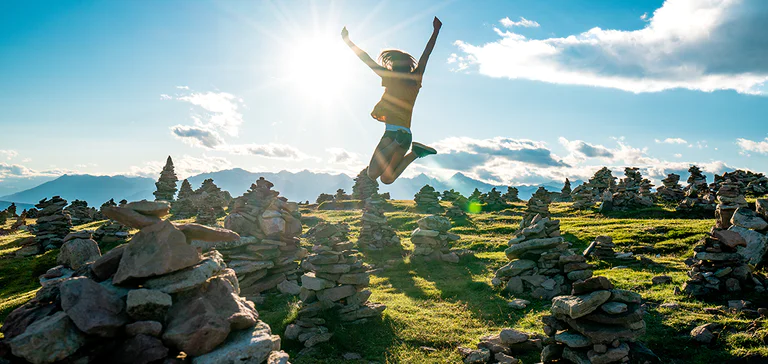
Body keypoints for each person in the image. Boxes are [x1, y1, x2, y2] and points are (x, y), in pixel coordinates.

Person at [342, 16, 441, 185]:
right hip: (405, 134)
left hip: (392, 134)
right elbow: (427, 53)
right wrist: (436, 31)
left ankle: (397, 143)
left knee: (373, 174)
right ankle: (415, 152)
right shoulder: (416, 79)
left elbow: (366, 59)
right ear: (408, 65)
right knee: (386, 178)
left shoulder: (389, 77)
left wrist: (348, 41)